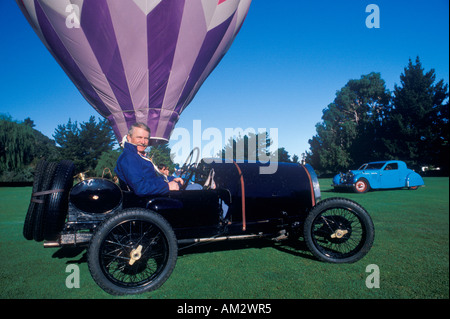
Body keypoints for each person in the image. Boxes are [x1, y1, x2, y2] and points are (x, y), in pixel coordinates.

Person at [115, 123, 183, 196]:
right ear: (129, 137)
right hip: (143, 202)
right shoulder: (129, 157)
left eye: (146, 138)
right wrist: (167, 186)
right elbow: (140, 188)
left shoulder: (140, 156)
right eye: (139, 137)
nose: (143, 142)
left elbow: (153, 179)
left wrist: (171, 179)